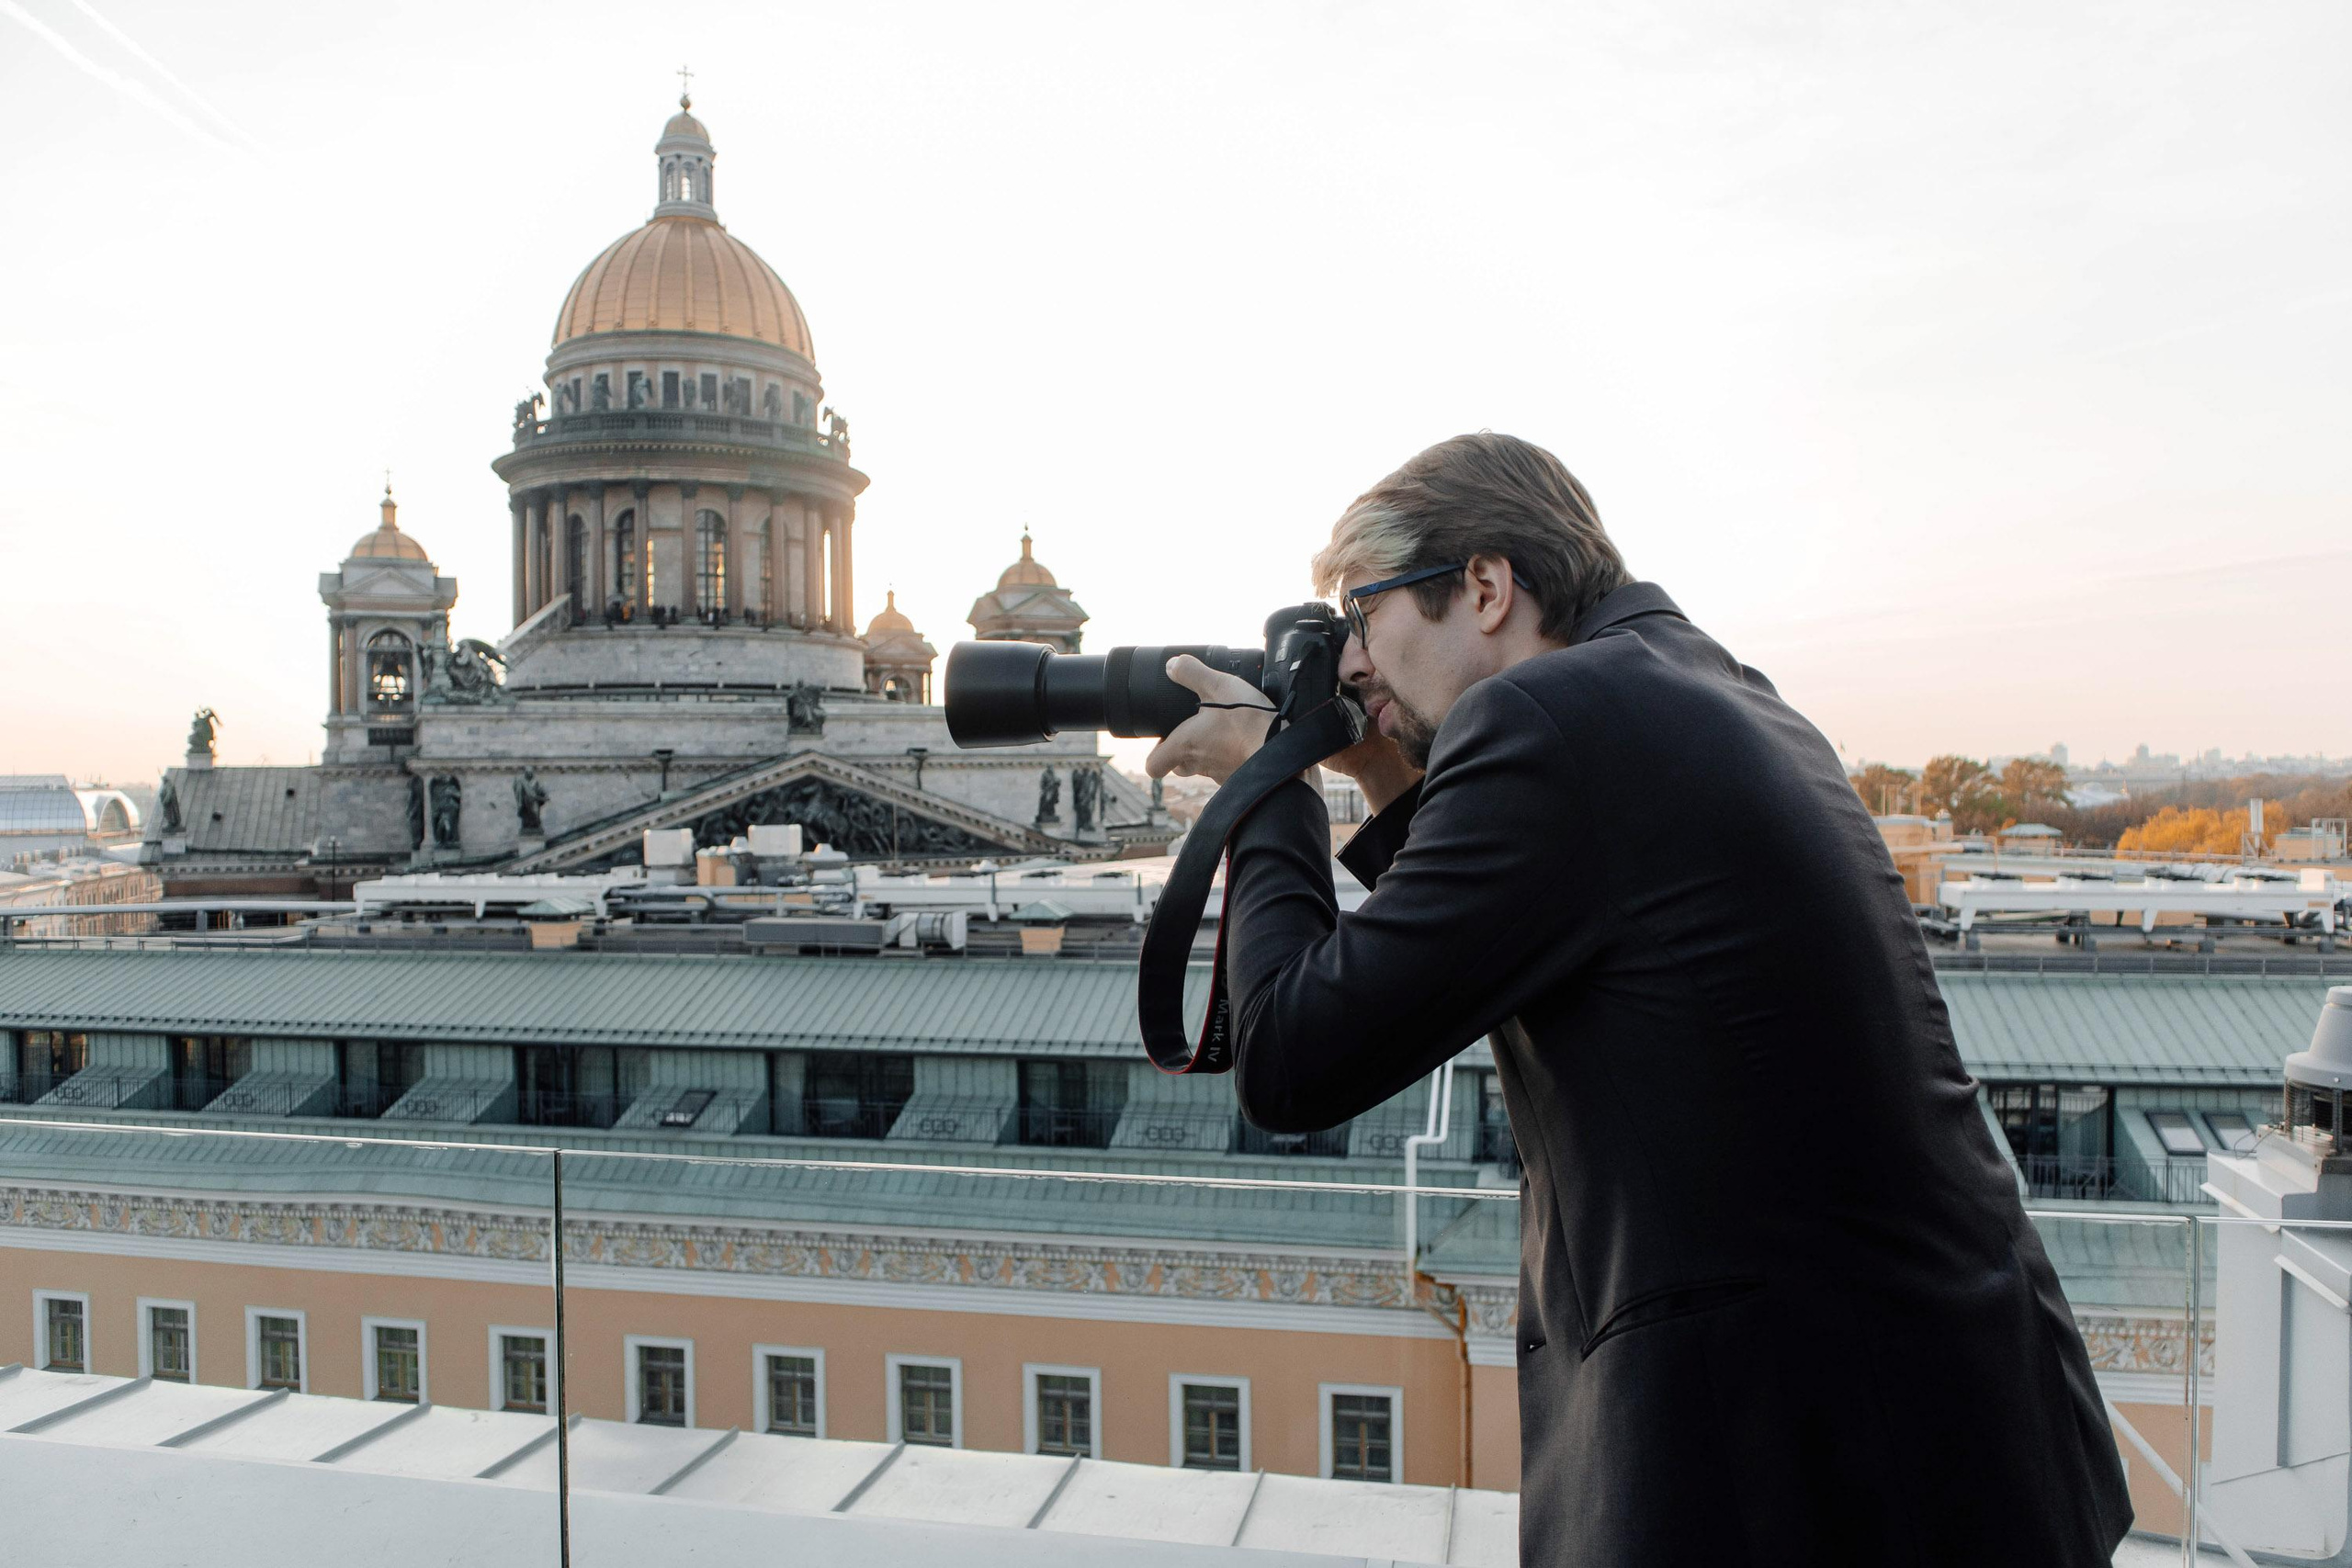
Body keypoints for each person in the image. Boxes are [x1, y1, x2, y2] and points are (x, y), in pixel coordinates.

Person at [1146, 434, 2131, 1566]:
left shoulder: (1551, 722)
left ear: (1483, 585)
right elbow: (1546, 906)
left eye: (1362, 618)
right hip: (1945, 1440)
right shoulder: (1697, 685)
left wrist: (1266, 784)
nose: (1352, 665)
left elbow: (1292, 1061)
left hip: (1808, 1483)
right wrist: (1377, 773)